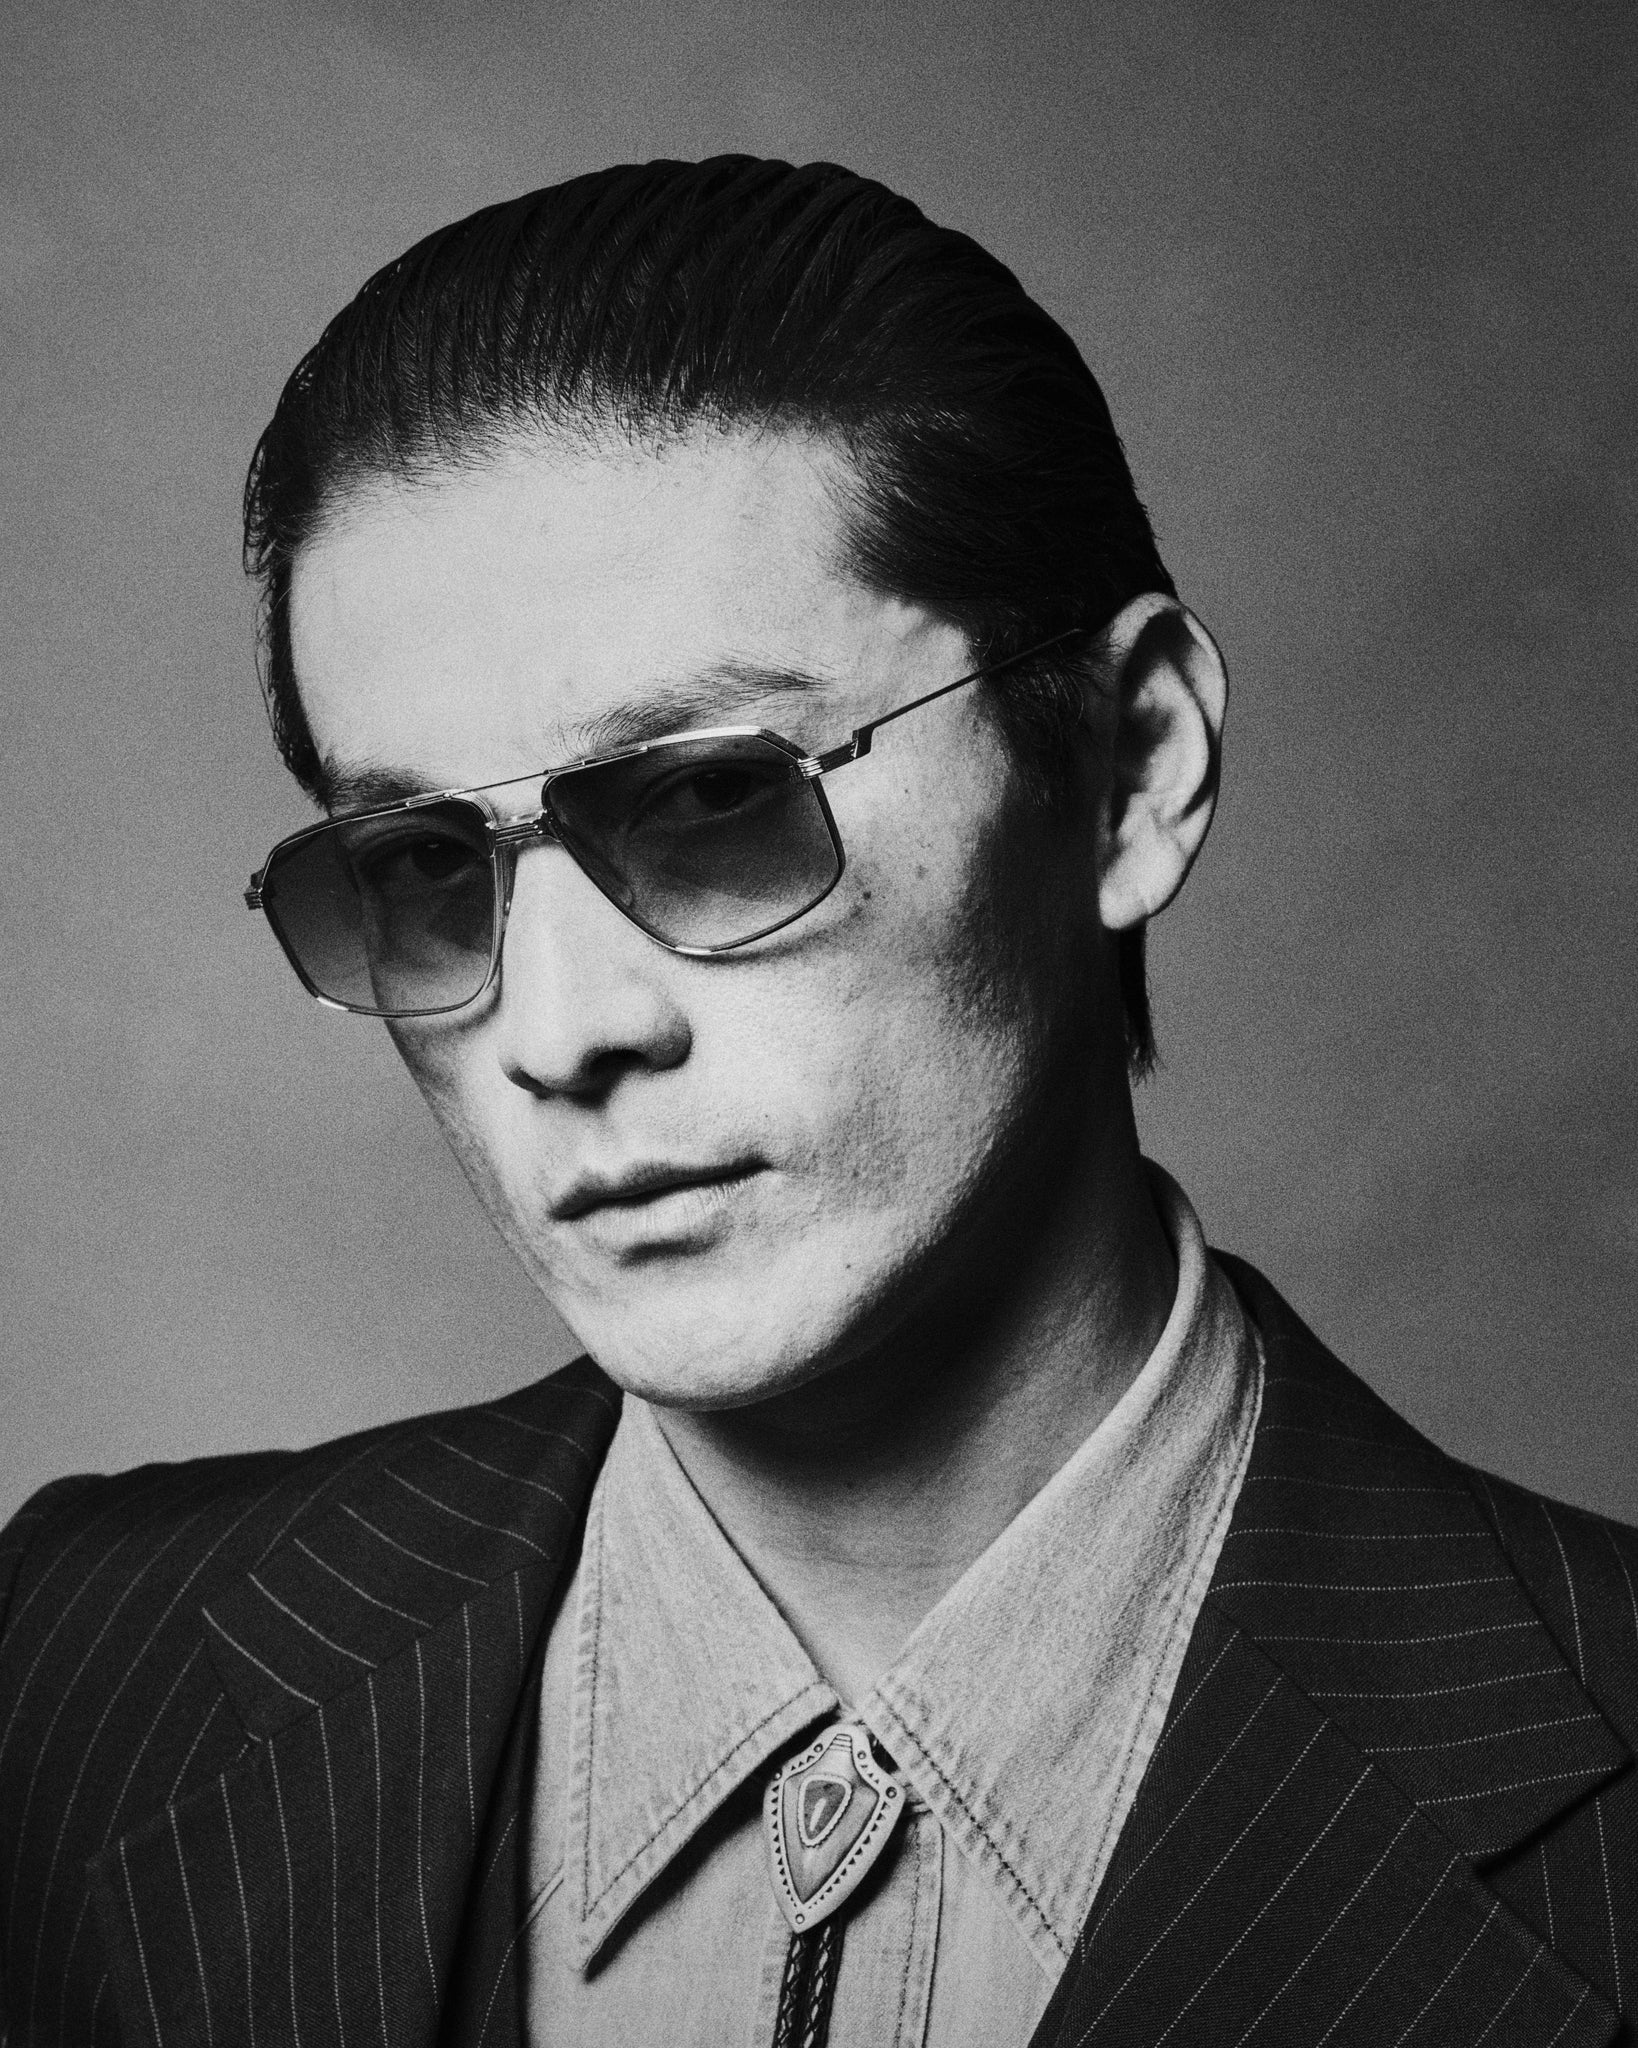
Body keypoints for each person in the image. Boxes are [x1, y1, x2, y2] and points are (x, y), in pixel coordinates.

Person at [0, 155, 1632, 2048]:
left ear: (1131, 766)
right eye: (424, 865)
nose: (560, 1030)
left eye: (715, 798)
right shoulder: (78, 1676)